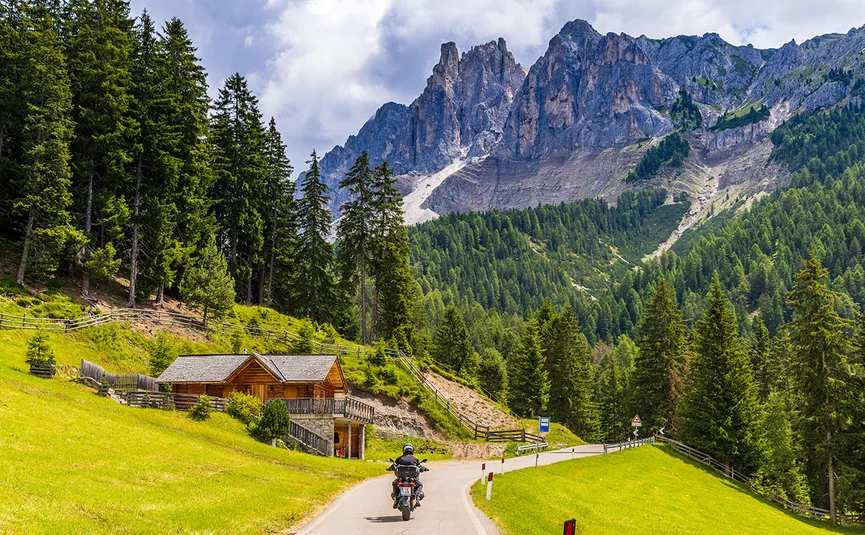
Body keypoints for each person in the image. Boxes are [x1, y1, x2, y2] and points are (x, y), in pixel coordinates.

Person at [391, 443, 425, 508]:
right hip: (413, 478)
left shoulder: (399, 458)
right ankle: (417, 497)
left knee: (394, 483)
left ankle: (395, 498)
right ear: (412, 450)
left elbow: (394, 465)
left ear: (403, 450)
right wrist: (424, 468)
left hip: (401, 478)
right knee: (419, 485)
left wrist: (390, 468)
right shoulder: (415, 458)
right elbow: (420, 466)